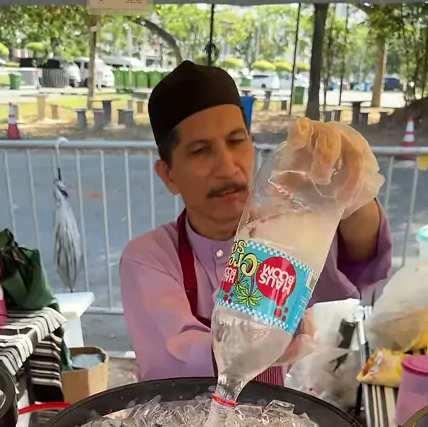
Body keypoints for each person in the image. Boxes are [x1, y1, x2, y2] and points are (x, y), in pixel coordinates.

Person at [120, 61, 391, 384]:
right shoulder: (148, 258)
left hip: (271, 415)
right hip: (176, 416)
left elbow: (359, 252)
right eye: (200, 150)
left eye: (237, 141)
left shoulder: (283, 238)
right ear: (169, 175)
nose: (227, 167)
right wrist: (260, 343)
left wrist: (349, 191)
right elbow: (172, 359)